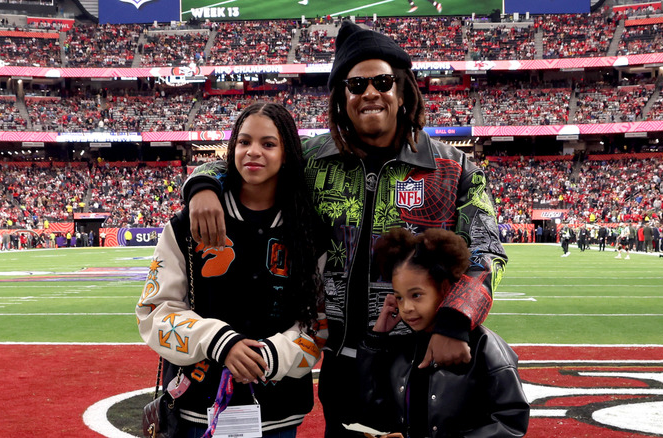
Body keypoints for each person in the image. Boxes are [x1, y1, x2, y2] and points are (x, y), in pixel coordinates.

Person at [181, 20, 506, 438]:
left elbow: (487, 253)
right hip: (341, 364)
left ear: (403, 90)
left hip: (424, 360)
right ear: (341, 98)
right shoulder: (312, 161)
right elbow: (250, 163)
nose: (370, 92)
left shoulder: (454, 169)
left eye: (383, 81)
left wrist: (454, 322)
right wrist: (204, 183)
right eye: (356, 85)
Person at [136, 102, 327, 438]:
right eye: (244, 142)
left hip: (278, 415)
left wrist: (269, 355)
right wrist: (219, 342)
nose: (253, 152)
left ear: (288, 153)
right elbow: (154, 312)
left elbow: (318, 322)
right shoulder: (186, 223)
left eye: (268, 144)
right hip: (196, 412)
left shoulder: (309, 231)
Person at [358, 227, 529, 437]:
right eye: (400, 297)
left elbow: (511, 423)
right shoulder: (402, 345)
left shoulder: (485, 345)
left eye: (417, 295)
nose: (407, 307)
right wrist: (376, 341)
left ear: (445, 288)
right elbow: (373, 413)